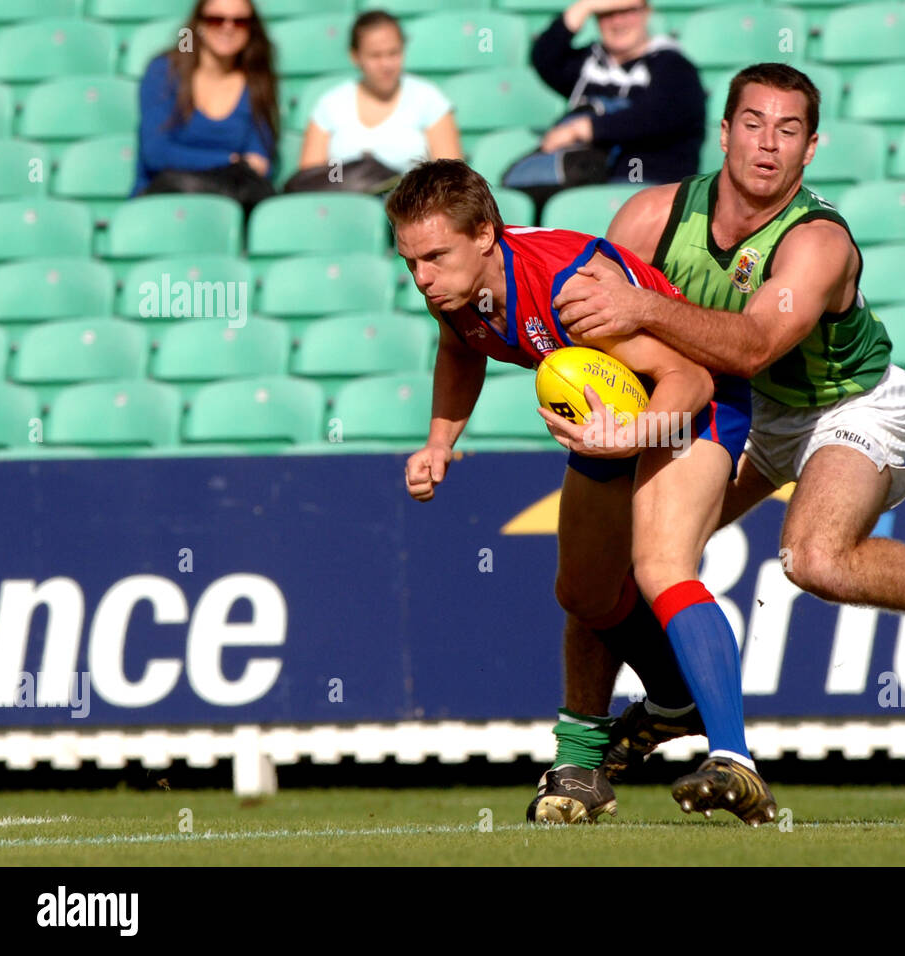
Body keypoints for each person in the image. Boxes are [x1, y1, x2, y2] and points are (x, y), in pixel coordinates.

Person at [550, 64, 905, 811]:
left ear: (811, 148)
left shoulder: (818, 242)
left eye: (788, 131)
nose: (767, 145)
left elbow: (754, 343)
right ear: (723, 132)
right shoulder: (650, 218)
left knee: (814, 557)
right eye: (752, 124)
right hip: (739, 408)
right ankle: (587, 759)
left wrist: (645, 313)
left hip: (843, 406)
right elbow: (598, 327)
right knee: (611, 558)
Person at [392, 160, 770, 826]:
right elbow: (461, 349)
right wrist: (439, 441)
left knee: (660, 567)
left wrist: (632, 438)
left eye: (434, 257)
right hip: (613, 415)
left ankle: (733, 759)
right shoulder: (455, 288)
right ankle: (622, 740)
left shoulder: (570, 291)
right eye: (410, 260)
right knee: (584, 591)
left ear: (485, 233)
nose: (421, 276)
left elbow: (691, 381)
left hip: (695, 404)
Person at [511, 0, 703, 203]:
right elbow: (545, 57)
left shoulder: (674, 66)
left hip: (652, 186)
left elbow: (655, 117)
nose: (617, 22)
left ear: (646, 12)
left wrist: (585, 128)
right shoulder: (589, 65)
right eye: (607, 13)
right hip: (584, 186)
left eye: (627, 11)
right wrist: (584, 7)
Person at [294, 10, 461, 192]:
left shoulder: (429, 99)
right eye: (375, 55)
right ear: (355, 56)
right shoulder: (330, 104)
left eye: (393, 53)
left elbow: (452, 180)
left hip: (412, 212)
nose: (386, 65)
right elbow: (310, 183)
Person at [134, 0, 278, 209]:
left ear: (251, 28)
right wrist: (232, 160)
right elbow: (156, 153)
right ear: (199, 24)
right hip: (165, 201)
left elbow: (259, 163)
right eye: (216, 19)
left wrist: (234, 163)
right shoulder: (164, 72)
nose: (228, 27)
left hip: (230, 203)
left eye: (240, 21)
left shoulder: (257, 81)